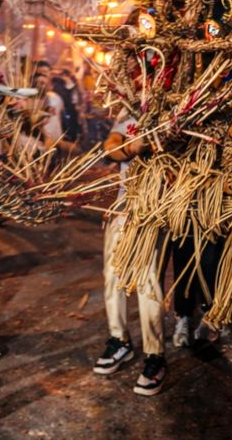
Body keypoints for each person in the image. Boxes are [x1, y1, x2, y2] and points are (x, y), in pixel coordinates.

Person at [93, 113, 166, 396]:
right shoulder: (129, 112)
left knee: (148, 282)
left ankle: (155, 356)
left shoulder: (174, 108)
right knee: (113, 275)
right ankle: (119, 340)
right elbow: (110, 146)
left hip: (156, 209)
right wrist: (130, 148)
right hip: (124, 208)